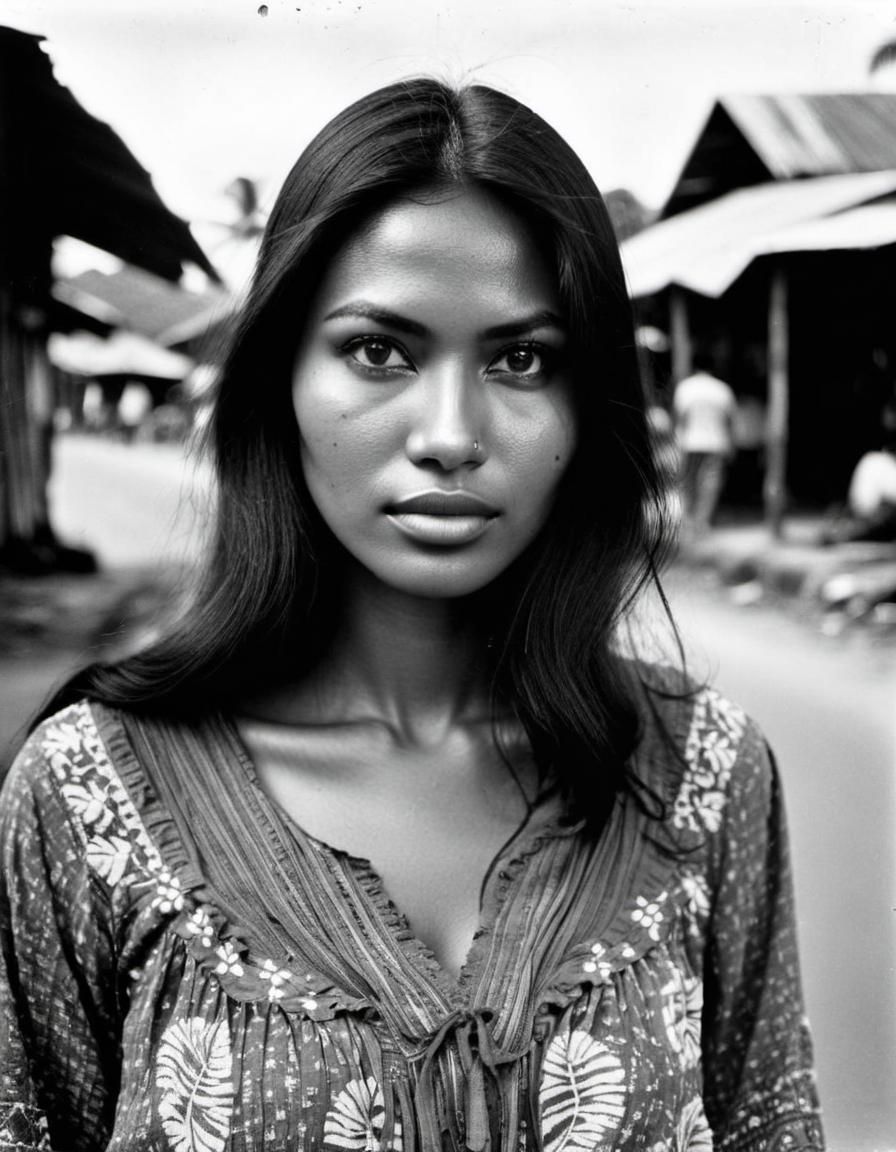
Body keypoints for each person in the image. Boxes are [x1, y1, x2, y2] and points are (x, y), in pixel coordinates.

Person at [0, 80, 823, 1152]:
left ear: (589, 405)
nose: (448, 433)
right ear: (278, 382)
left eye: (519, 358)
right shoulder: (86, 794)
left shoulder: (702, 777)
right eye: (378, 351)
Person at [673, 352, 737, 535]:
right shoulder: (722, 389)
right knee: (710, 483)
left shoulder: (685, 388)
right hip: (716, 442)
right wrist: (732, 444)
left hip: (690, 442)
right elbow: (730, 420)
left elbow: (680, 418)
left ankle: (688, 520)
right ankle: (703, 522)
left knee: (689, 482)